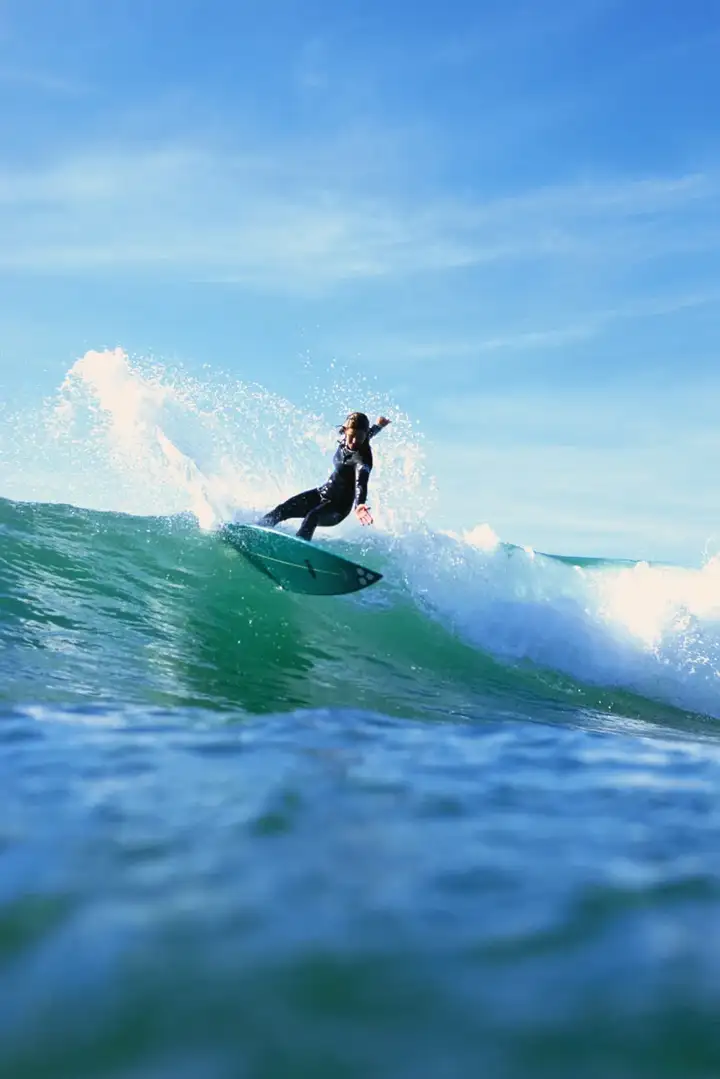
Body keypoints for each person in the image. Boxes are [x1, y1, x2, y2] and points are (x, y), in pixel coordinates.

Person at [258, 411, 391, 542]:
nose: (355, 441)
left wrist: (360, 504)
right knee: (284, 508)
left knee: (312, 516)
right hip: (323, 493)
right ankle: (256, 530)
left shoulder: (363, 457)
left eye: (360, 437)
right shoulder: (351, 438)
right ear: (345, 431)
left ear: (364, 435)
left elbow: (361, 481)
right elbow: (369, 432)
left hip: (338, 508)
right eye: (352, 436)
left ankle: (300, 549)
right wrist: (378, 426)